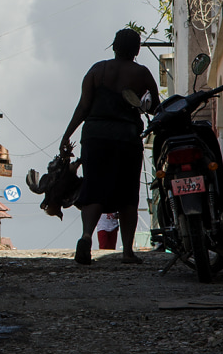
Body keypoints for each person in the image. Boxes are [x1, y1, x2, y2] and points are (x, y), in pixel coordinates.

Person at [59, 28, 160, 265]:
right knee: (127, 193)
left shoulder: (97, 70)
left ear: (114, 47)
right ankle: (127, 251)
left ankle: (86, 237)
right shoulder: (142, 73)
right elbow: (154, 107)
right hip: (126, 137)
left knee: (94, 187)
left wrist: (66, 135)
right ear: (136, 50)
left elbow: (83, 107)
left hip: (95, 136)